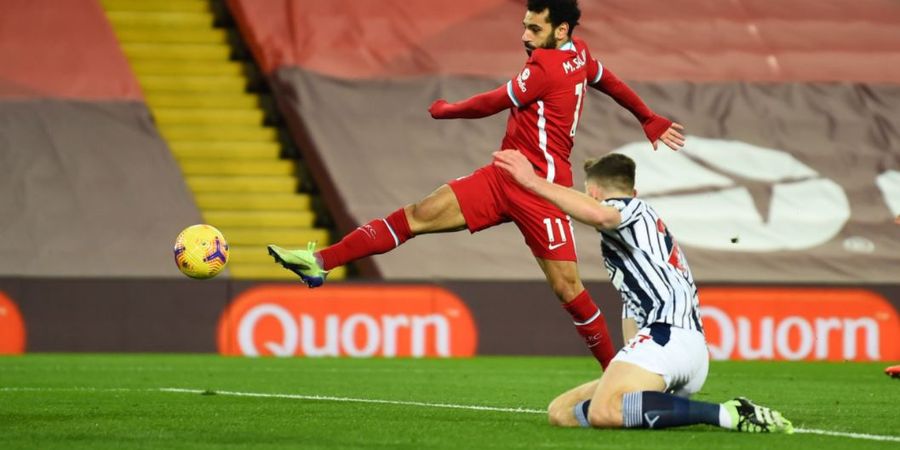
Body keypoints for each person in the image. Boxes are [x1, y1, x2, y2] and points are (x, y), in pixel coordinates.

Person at [267, 0, 685, 369]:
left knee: (567, 288)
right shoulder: (578, 55)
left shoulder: (546, 65)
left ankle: (616, 372)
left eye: (534, 28)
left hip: (543, 191)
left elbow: (494, 101)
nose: (524, 36)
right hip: (502, 176)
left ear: (561, 30)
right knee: (418, 214)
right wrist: (646, 116)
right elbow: (606, 79)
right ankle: (320, 263)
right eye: (524, 25)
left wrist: (447, 110)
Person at [492, 149, 793, 433]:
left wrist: (531, 181)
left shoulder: (632, 208)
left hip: (670, 337)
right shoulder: (632, 254)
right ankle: (661, 406)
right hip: (672, 345)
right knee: (561, 413)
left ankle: (729, 413)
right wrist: (621, 372)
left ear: (593, 193)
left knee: (604, 411)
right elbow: (631, 323)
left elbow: (600, 215)